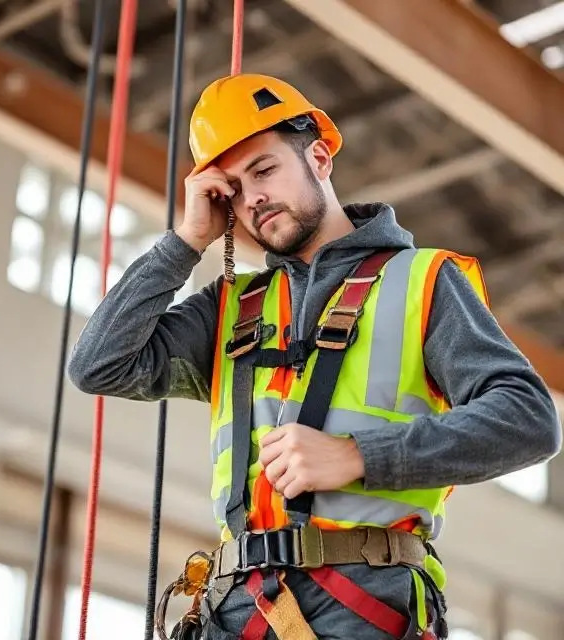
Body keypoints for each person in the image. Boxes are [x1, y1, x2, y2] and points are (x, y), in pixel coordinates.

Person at [67, 74, 562, 639]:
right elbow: (98, 364)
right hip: (237, 610)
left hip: (365, 606)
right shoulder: (231, 308)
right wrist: (185, 241)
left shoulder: (422, 283)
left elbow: (528, 419)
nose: (251, 198)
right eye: (231, 188)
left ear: (319, 157)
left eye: (264, 170)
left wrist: (358, 456)